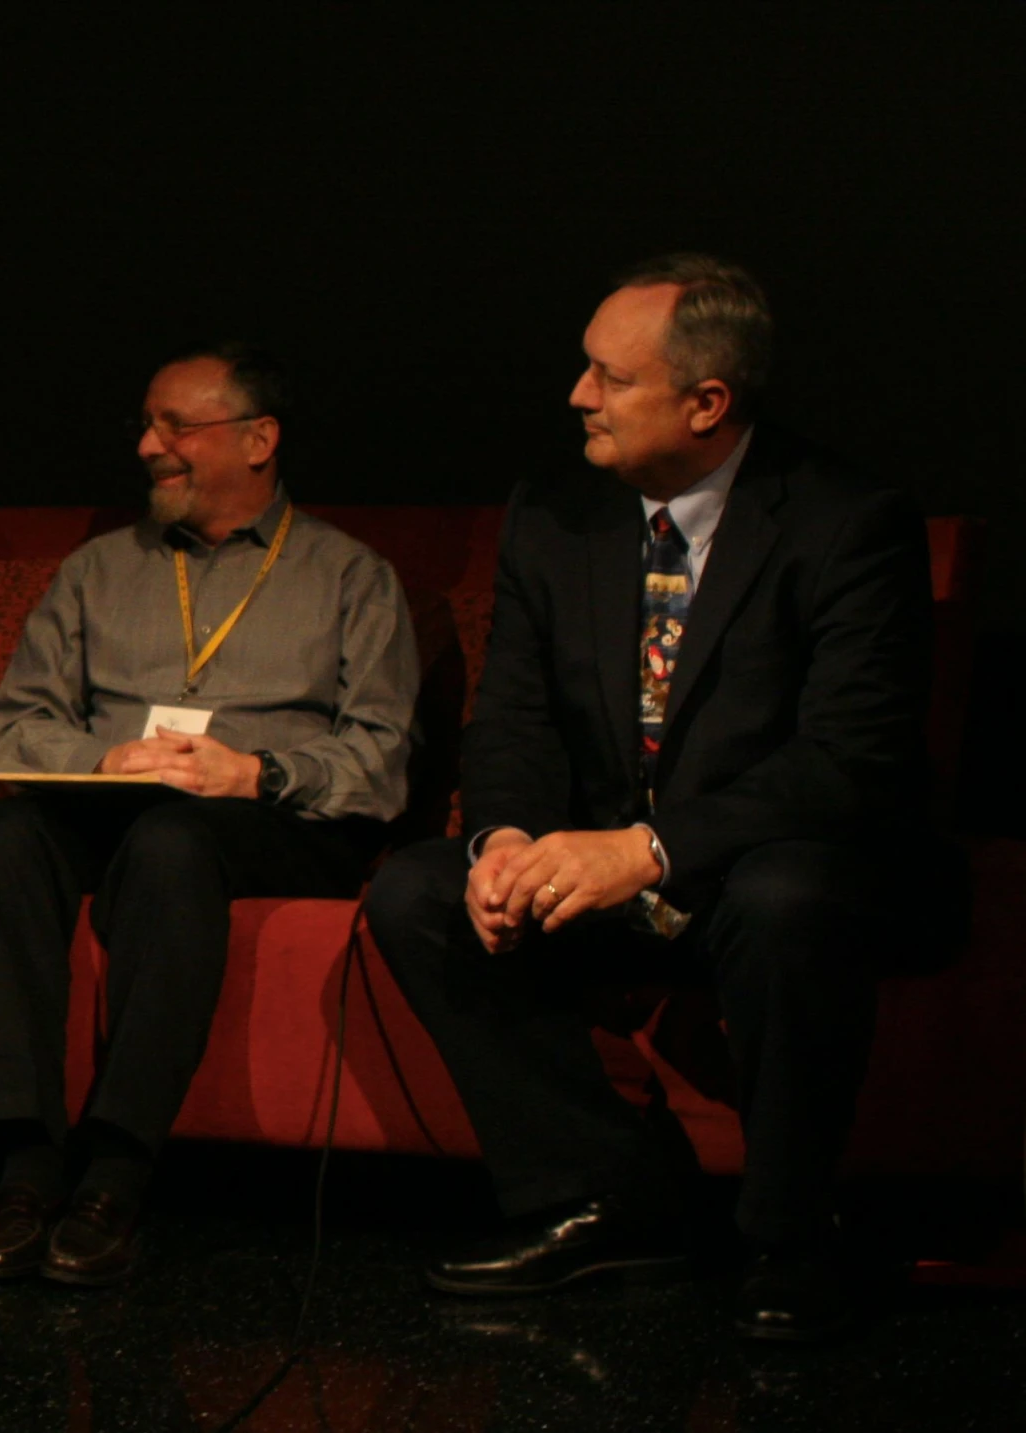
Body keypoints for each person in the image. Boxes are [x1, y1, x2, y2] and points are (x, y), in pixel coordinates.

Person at [363, 255, 943, 1342]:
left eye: (608, 377)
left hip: (758, 865)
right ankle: (609, 1197)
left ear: (706, 401)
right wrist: (507, 841)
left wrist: (648, 847)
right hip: (606, 861)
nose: (578, 396)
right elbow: (518, 716)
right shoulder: (557, 512)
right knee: (421, 892)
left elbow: (849, 760)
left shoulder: (845, 520)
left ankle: (789, 1232)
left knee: (786, 895)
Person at [0, 343, 420, 1285]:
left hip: (272, 820)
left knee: (170, 839)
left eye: (176, 427)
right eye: (146, 427)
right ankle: (25, 1167)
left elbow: (380, 756)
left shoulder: (350, 577)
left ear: (258, 439)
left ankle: (117, 1168)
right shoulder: (99, 570)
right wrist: (104, 757)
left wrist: (255, 770)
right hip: (118, 802)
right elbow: (17, 725)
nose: (151, 446)